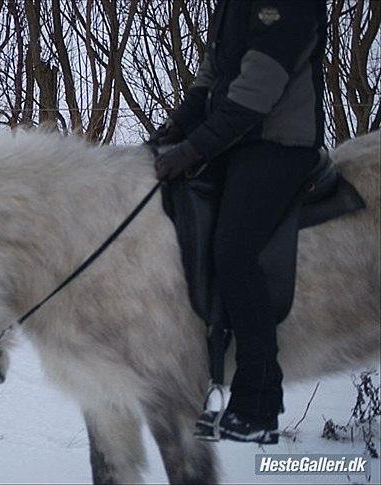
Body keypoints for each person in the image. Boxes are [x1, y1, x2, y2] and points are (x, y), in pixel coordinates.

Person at [149, 1, 327, 444]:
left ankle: (258, 404)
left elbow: (257, 89)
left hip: (279, 144)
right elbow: (214, 72)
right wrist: (174, 129)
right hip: (238, 139)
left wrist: (194, 149)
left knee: (233, 248)